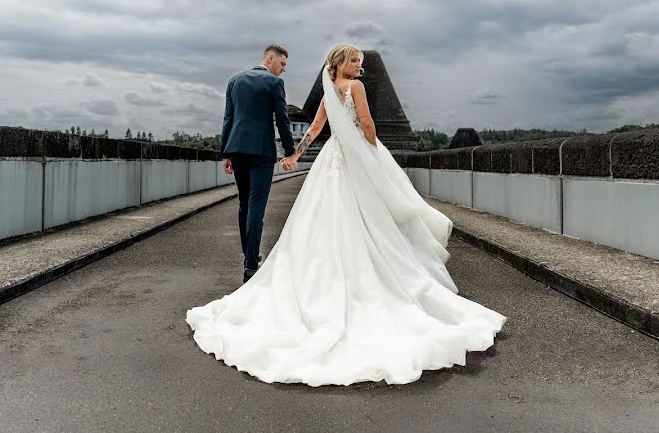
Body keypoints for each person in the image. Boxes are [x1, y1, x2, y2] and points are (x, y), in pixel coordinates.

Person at [188, 44, 506, 386]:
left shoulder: (328, 92)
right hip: (354, 156)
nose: (360, 67)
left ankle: (306, 273)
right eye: (355, 61)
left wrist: (295, 155)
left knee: (320, 221)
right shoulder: (356, 88)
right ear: (341, 63)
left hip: (330, 159)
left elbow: (314, 129)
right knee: (371, 218)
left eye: (361, 62)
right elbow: (367, 125)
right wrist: (372, 154)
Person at [219, 44, 296, 283]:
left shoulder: (234, 81)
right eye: (282, 64)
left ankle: (249, 256)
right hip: (262, 150)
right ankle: (251, 264)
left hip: (238, 148)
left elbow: (228, 118)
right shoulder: (274, 83)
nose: (283, 70)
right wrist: (291, 151)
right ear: (270, 58)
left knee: (244, 202)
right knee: (257, 205)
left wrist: (226, 152)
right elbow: (282, 121)